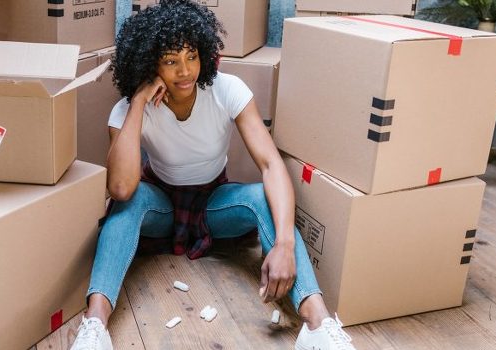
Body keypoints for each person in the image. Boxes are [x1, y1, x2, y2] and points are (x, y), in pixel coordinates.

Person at [70, 1, 355, 349]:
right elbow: (121, 186)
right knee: (124, 205)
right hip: (160, 203)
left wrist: (283, 243)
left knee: (260, 197)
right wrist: (140, 101)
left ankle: (317, 325)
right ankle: (94, 327)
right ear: (149, 64)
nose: (186, 70)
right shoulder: (127, 110)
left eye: (192, 55)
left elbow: (270, 164)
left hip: (214, 204)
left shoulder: (225, 89)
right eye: (171, 61)